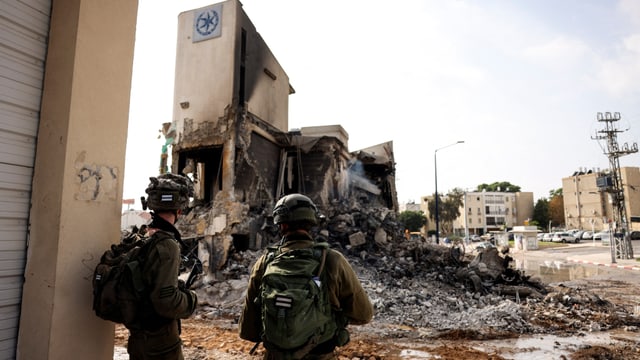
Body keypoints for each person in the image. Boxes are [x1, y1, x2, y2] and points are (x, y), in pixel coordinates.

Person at [239, 193, 374, 359]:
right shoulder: (332, 260)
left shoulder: (264, 262)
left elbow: (248, 330)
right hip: (320, 354)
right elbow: (364, 314)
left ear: (280, 225)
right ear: (312, 223)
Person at [127, 173, 198, 360]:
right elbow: (166, 303)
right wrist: (191, 299)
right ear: (180, 210)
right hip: (160, 344)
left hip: (138, 338)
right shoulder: (167, 245)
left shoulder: (141, 237)